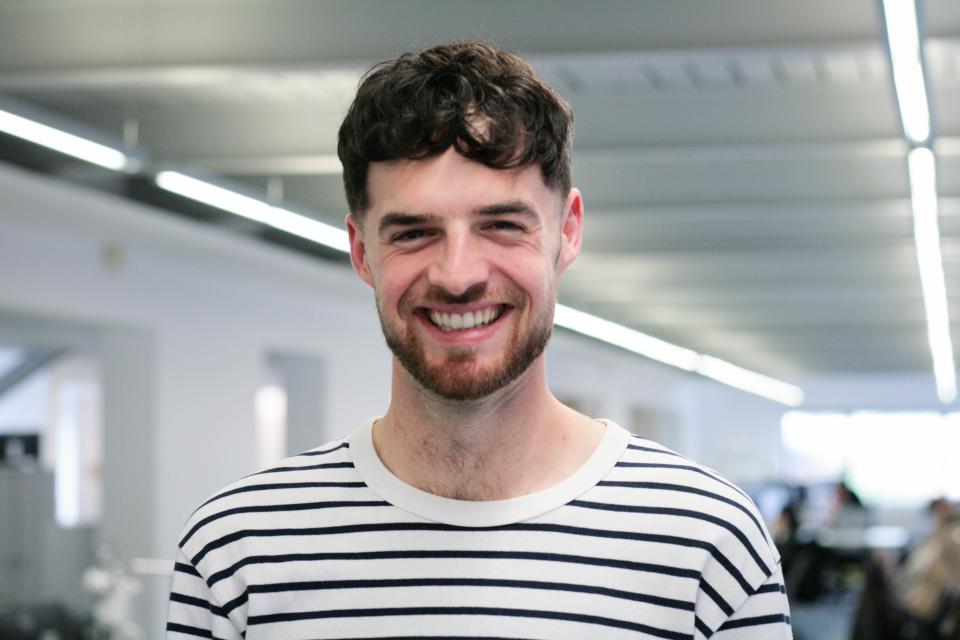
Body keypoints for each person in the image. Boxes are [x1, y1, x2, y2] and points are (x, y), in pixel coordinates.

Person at [166, 41, 792, 639]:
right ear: (361, 251)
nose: (458, 275)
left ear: (567, 231)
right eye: (413, 233)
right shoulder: (237, 552)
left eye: (501, 224)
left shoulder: (707, 541)